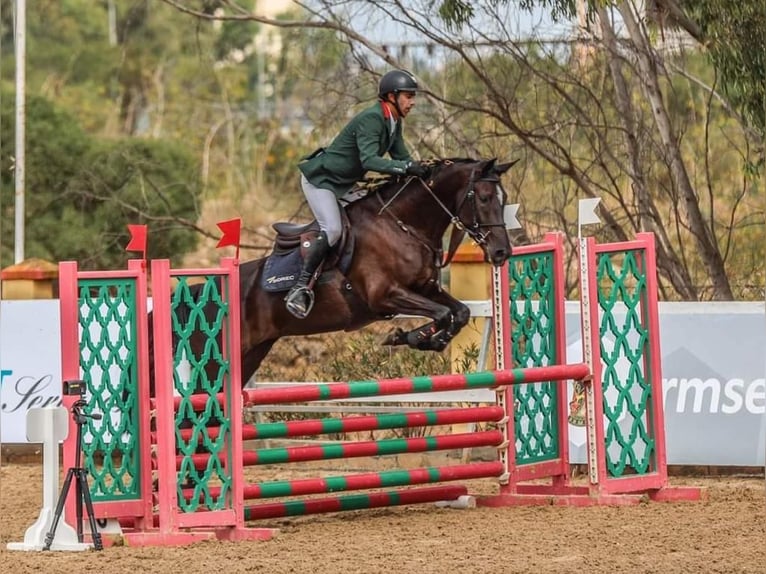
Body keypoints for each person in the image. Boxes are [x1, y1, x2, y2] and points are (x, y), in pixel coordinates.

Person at [284, 69, 431, 319]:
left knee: (372, 219)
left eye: (413, 96)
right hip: (322, 181)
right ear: (391, 97)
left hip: (345, 182)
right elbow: (370, 160)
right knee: (332, 229)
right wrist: (406, 168)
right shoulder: (372, 119)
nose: (413, 102)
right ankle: (300, 288)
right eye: (408, 96)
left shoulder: (393, 122)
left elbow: (402, 158)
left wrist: (425, 169)